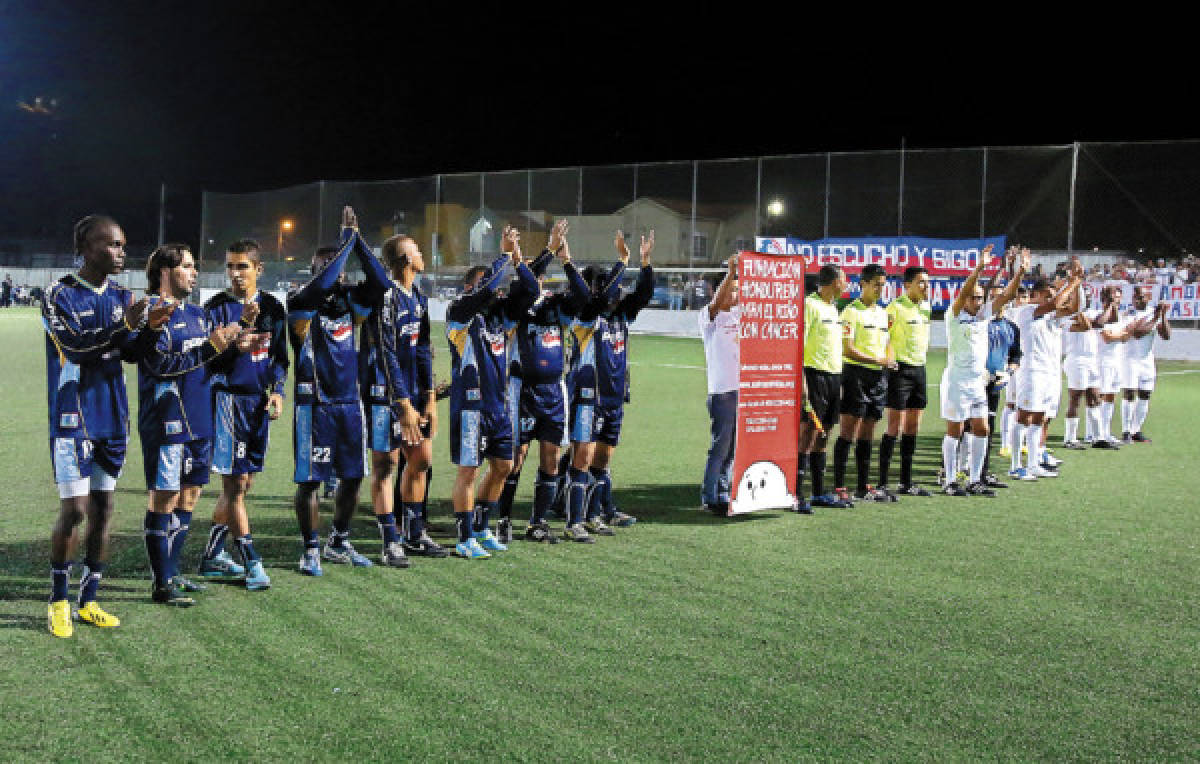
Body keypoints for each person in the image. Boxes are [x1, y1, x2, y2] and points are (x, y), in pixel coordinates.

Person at [42, 215, 163, 635]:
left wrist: (148, 330)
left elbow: (130, 353)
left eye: (123, 244)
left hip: (113, 415)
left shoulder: (121, 294)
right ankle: (58, 600)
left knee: (103, 509)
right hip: (73, 415)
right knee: (75, 510)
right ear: (85, 248)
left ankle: (89, 600)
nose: (120, 252)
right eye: (111, 244)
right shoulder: (59, 295)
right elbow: (75, 348)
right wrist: (125, 325)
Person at [286, 206, 393, 575]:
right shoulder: (300, 302)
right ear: (314, 270)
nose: (336, 268)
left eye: (339, 263)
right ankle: (310, 547)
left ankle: (339, 542)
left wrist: (356, 240)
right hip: (313, 404)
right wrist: (343, 247)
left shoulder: (351, 304)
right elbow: (324, 282)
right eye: (326, 264)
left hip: (350, 403)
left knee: (353, 476)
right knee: (311, 480)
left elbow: (381, 281)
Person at [138, 243, 243, 606]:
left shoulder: (198, 315)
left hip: (200, 418)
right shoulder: (151, 315)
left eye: (194, 266)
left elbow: (207, 363)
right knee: (164, 497)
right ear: (165, 272)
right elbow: (158, 366)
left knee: (191, 495)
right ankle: (161, 583)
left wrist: (235, 346)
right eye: (186, 266)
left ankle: (173, 572)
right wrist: (210, 349)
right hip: (168, 419)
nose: (194, 272)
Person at [490, 220, 588, 543]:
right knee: (516, 457)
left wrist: (567, 259)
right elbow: (527, 285)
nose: (539, 279)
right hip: (523, 390)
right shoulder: (518, 305)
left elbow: (585, 297)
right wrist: (539, 251)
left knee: (549, 456)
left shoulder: (554, 307)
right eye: (533, 273)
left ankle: (537, 522)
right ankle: (503, 518)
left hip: (554, 391)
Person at [197, 239, 287, 590]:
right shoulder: (216, 308)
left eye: (242, 267)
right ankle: (252, 563)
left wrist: (277, 391)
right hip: (227, 402)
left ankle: (212, 556)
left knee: (244, 483)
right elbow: (206, 360)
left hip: (257, 404)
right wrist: (234, 343)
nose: (235, 274)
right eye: (230, 267)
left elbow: (279, 357)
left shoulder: (273, 309)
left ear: (258, 269)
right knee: (234, 485)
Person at [445, 225, 533, 557]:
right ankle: (464, 536)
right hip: (471, 408)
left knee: (503, 467)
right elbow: (488, 289)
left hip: (499, 407)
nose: (497, 292)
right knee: (469, 470)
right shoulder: (460, 314)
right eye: (489, 286)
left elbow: (531, 289)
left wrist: (519, 259)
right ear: (472, 287)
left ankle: (482, 528)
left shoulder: (500, 319)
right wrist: (504, 255)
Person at [362, 231, 445, 567]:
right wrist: (403, 404)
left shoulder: (419, 299)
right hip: (386, 397)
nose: (423, 254)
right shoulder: (386, 298)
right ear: (407, 260)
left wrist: (429, 399)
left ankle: (413, 534)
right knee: (386, 466)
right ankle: (389, 542)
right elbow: (387, 352)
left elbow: (423, 350)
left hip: (413, 397)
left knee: (421, 460)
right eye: (418, 250)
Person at [572, 229, 655, 537]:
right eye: (607, 285)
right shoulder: (585, 314)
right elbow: (604, 296)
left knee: (603, 459)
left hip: (615, 397)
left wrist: (645, 263)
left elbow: (644, 294)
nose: (615, 293)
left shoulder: (621, 314)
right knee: (584, 456)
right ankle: (583, 514)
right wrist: (624, 260)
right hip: (589, 397)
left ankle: (602, 509)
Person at [939, 245, 1023, 497]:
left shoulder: (983, 316)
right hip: (956, 382)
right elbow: (966, 289)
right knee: (954, 431)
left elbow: (1006, 296)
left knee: (982, 429)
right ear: (963, 299)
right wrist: (979, 268)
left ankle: (975, 479)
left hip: (977, 383)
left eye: (979, 298)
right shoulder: (952, 316)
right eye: (973, 297)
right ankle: (950, 480)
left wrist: (1019, 272)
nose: (978, 301)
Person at [1009, 267, 1083, 480]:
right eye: (1047, 295)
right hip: (1032, 371)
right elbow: (1056, 303)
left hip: (1051, 373)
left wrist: (1076, 286)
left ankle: (1032, 464)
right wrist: (1072, 283)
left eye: (1052, 295)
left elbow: (1074, 309)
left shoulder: (1052, 317)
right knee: (1023, 416)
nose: (1052, 299)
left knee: (1039, 419)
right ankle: (1015, 465)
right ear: (1035, 296)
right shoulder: (1026, 311)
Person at [833, 264, 895, 503]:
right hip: (855, 375)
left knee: (868, 431)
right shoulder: (851, 312)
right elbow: (848, 349)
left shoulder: (883, 313)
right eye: (876, 285)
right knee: (848, 429)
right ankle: (839, 486)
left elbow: (887, 341)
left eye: (883, 285)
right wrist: (876, 359)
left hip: (878, 377)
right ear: (864, 284)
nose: (880, 289)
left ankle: (862, 486)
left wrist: (888, 357)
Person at [798, 265, 850, 511]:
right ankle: (795, 493)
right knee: (807, 433)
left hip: (833, 378)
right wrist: (803, 383)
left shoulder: (832, 307)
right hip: (814, 376)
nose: (847, 284)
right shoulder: (809, 306)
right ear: (833, 282)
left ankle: (818, 492)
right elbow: (799, 347)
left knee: (824, 433)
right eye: (844, 279)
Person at [879, 265, 932, 497]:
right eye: (921, 282)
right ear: (907, 285)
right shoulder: (895, 308)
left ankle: (906, 482)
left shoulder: (926, 308)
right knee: (894, 427)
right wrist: (889, 361)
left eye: (927, 282)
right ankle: (882, 483)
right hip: (899, 371)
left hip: (919, 371)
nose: (926, 286)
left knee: (912, 428)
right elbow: (884, 336)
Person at [700, 253, 740, 515]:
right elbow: (718, 304)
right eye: (732, 289)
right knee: (720, 447)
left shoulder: (741, 315)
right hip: (722, 393)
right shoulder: (709, 316)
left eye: (738, 289)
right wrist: (732, 272)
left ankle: (723, 493)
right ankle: (709, 495)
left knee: (733, 449)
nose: (735, 294)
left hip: (741, 392)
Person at [1119, 287, 1171, 442]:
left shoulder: (1153, 313)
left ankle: (1136, 430)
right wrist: (1155, 317)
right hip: (1130, 360)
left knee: (1145, 394)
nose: (1137, 300)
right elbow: (1137, 333)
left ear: (1148, 298)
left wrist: (1162, 315)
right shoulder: (1129, 314)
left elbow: (1166, 335)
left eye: (1141, 297)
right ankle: (1126, 431)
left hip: (1147, 361)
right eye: (1135, 297)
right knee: (1129, 394)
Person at [1062, 285, 1102, 449]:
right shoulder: (1067, 317)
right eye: (1082, 298)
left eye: (1087, 297)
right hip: (1077, 360)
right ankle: (1069, 438)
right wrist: (1077, 309)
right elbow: (1086, 326)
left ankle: (1098, 437)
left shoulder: (1091, 313)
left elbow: (1100, 322)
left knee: (1094, 397)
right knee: (1076, 398)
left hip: (1092, 359)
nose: (1087, 300)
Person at [1093, 285, 1127, 449]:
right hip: (1103, 361)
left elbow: (1125, 336)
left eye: (1119, 297)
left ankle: (1105, 432)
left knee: (1111, 397)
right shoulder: (1100, 315)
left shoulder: (1119, 316)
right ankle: (1096, 434)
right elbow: (1106, 337)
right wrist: (1119, 336)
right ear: (1105, 299)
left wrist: (1119, 336)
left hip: (1117, 361)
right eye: (1113, 297)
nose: (1116, 300)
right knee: (1100, 397)